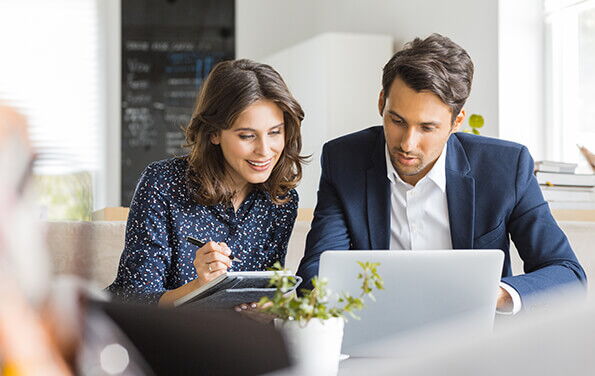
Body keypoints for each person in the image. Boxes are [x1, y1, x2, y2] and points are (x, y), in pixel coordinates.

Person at [297, 34, 586, 313]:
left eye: (427, 127)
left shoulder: (506, 167)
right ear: (381, 102)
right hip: (375, 337)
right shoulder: (344, 159)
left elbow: (567, 274)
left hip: (473, 340)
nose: (407, 143)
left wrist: (492, 294)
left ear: (456, 121)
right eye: (397, 120)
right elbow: (316, 271)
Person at [108, 59, 307, 305]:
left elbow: (265, 294)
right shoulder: (162, 184)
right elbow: (134, 300)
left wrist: (263, 310)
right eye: (247, 136)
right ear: (213, 133)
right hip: (160, 336)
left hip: (229, 339)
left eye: (275, 132)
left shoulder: (281, 201)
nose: (265, 150)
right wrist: (201, 285)